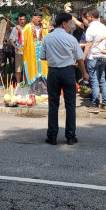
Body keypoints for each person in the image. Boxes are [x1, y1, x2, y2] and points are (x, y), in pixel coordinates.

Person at [40, 13, 89, 145]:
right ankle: (70, 136)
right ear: (63, 24)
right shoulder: (71, 39)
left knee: (53, 105)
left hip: (53, 72)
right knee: (70, 105)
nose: (70, 26)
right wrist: (84, 73)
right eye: (69, 23)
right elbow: (79, 58)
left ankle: (52, 136)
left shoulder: (47, 38)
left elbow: (43, 57)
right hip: (68, 72)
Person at [84, 8, 106, 113]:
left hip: (93, 56)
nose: (87, 18)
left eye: (87, 16)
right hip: (102, 56)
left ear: (91, 16)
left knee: (94, 81)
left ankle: (95, 103)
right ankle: (105, 102)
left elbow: (88, 45)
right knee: (102, 79)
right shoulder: (103, 26)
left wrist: (83, 56)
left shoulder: (90, 28)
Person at [9, 13, 28, 84]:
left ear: (26, 20)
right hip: (19, 51)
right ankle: (18, 83)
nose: (22, 21)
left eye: (23, 19)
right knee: (18, 69)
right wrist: (15, 46)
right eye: (20, 19)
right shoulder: (15, 28)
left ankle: (27, 83)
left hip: (28, 51)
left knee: (27, 68)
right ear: (18, 20)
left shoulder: (29, 27)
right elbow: (11, 40)